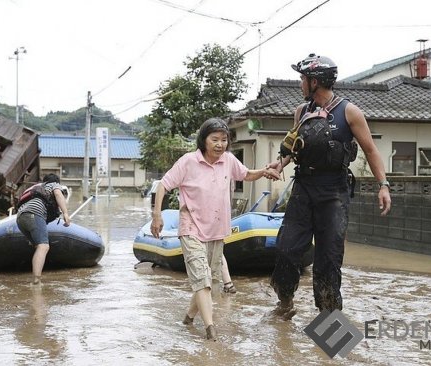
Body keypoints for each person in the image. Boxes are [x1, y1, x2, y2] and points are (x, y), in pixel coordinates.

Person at [266, 53, 392, 319]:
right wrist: (280, 163)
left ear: (315, 81)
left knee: (328, 260)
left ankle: (329, 322)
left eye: (303, 79)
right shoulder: (301, 111)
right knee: (286, 249)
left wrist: (383, 185)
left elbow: (370, 150)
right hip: (303, 187)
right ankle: (285, 303)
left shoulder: (349, 112)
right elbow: (294, 146)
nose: (300, 84)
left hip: (334, 192)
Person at [150, 117, 280, 341]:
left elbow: (246, 174)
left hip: (217, 229)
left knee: (208, 279)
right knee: (202, 277)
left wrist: (265, 171)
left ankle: (189, 318)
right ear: (204, 140)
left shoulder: (228, 160)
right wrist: (156, 214)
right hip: (190, 225)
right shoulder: (189, 161)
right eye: (215, 139)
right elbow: (164, 184)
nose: (220, 144)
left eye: (224, 140)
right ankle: (210, 329)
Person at [16, 173, 71, 285]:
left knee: (38, 246)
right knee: (43, 246)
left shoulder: (36, 188)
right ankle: (36, 281)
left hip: (20, 218)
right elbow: (58, 194)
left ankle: (36, 274)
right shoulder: (54, 184)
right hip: (34, 214)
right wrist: (65, 213)